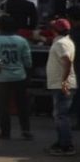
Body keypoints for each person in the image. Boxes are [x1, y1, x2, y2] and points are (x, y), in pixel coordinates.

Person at [0, 14, 32, 140]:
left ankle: (6, 132)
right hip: (19, 77)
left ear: (0, 26)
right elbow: (28, 62)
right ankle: (26, 130)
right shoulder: (22, 41)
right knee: (22, 105)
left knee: (2, 106)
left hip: (0, 78)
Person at [47, 18, 76, 156]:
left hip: (62, 84)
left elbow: (67, 62)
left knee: (61, 116)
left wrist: (64, 82)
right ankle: (61, 142)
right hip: (61, 83)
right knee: (59, 115)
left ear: (55, 30)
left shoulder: (61, 44)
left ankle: (66, 145)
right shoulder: (66, 41)